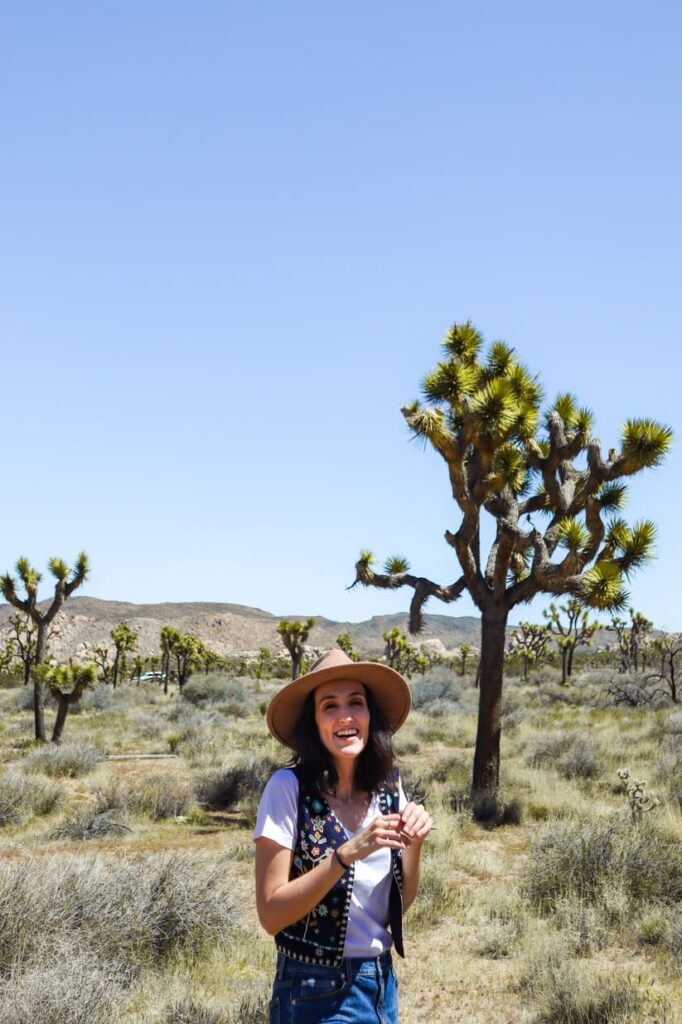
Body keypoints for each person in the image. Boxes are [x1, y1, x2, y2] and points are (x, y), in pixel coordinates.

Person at [254, 649, 432, 1024]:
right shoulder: (288, 789)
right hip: (313, 991)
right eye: (329, 706)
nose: (346, 717)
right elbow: (270, 914)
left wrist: (414, 846)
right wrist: (343, 856)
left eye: (356, 702)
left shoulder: (388, 789)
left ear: (371, 715)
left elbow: (392, 910)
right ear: (314, 723)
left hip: (381, 983)